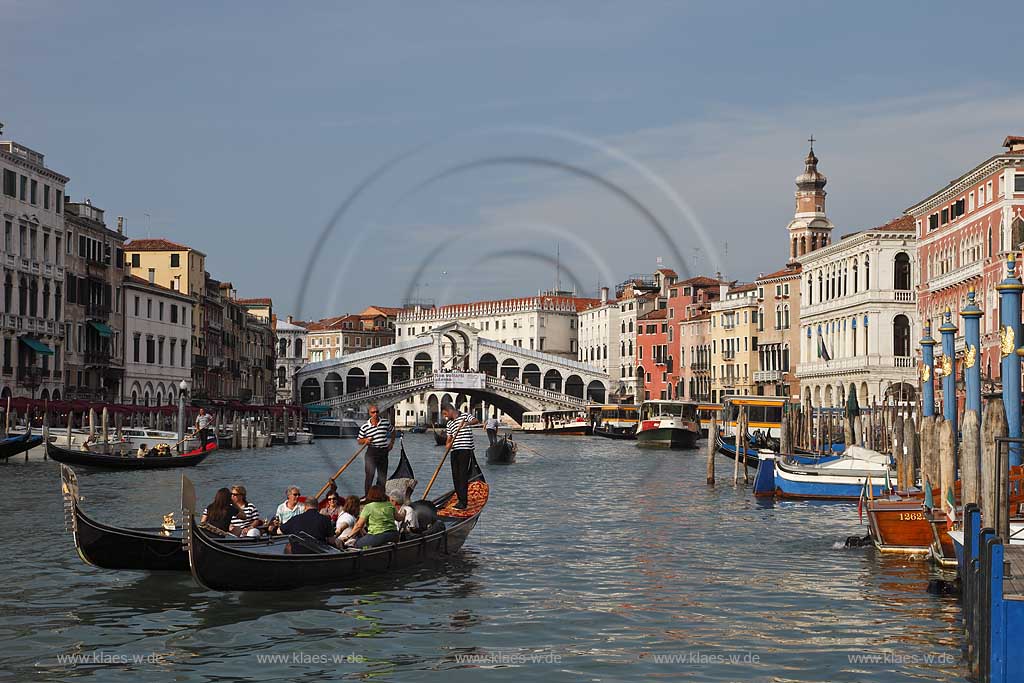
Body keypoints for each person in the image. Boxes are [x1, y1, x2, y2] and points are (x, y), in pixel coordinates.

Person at [442, 403, 478, 510]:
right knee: (456, 476)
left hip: (465, 449)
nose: (445, 416)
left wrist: (466, 424)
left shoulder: (465, 416)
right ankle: (459, 499)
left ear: (449, 411)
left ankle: (463, 502)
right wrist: (448, 445)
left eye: (445, 414)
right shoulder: (449, 424)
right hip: (454, 451)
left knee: (462, 475)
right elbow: (448, 440)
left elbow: (476, 421)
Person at [357, 404, 395, 495]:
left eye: (377, 411)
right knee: (370, 476)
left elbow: (393, 431)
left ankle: (380, 495)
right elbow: (359, 440)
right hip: (371, 453)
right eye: (373, 412)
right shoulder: (365, 426)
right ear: (370, 413)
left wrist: (391, 443)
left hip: (383, 451)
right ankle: (367, 496)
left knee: (382, 477)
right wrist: (365, 440)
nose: (376, 414)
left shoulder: (385, 423)